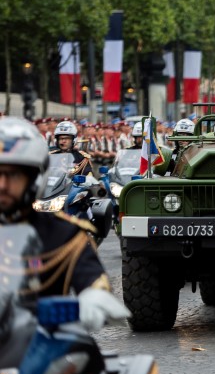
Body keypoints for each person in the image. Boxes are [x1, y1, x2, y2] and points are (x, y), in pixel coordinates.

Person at [0, 117, 129, 330]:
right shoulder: (53, 155)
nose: (3, 185)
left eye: (13, 175)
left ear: (32, 177)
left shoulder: (63, 234)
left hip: (44, 337)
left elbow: (90, 273)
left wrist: (94, 293)